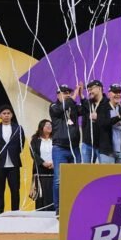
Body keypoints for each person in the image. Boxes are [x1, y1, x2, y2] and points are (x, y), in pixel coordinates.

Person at [49, 84, 82, 213]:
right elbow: (59, 110)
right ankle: (58, 208)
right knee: (58, 180)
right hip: (59, 148)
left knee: (76, 178)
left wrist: (82, 96)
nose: (67, 94)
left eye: (69, 92)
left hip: (74, 148)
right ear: (58, 95)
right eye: (64, 92)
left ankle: (75, 207)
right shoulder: (54, 106)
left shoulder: (72, 106)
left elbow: (84, 109)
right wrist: (72, 98)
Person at [0, 104, 26, 215]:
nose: (6, 116)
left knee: (15, 190)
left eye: (8, 113)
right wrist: (0, 155)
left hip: (14, 164)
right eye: (4, 113)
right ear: (0, 115)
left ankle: (15, 213)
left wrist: (13, 153)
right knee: (0, 191)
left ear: (12, 115)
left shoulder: (18, 128)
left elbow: (21, 144)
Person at [97, 84, 121, 163]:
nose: (117, 94)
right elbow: (102, 124)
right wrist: (118, 117)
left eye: (119, 92)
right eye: (115, 92)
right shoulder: (102, 108)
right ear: (109, 94)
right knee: (108, 175)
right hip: (108, 151)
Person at [29, 119, 54, 211]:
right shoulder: (35, 139)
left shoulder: (55, 138)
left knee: (52, 194)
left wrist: (54, 163)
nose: (49, 127)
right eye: (47, 125)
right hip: (40, 170)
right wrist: (43, 163)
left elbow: (60, 152)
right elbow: (33, 153)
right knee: (41, 195)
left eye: (51, 125)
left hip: (54, 169)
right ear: (41, 127)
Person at [79, 80, 105, 164]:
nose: (89, 92)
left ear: (99, 88)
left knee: (105, 172)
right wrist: (80, 94)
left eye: (91, 89)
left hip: (102, 144)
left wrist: (98, 117)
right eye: (88, 90)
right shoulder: (89, 103)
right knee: (86, 173)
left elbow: (109, 120)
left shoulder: (107, 103)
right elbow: (84, 101)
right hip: (87, 143)